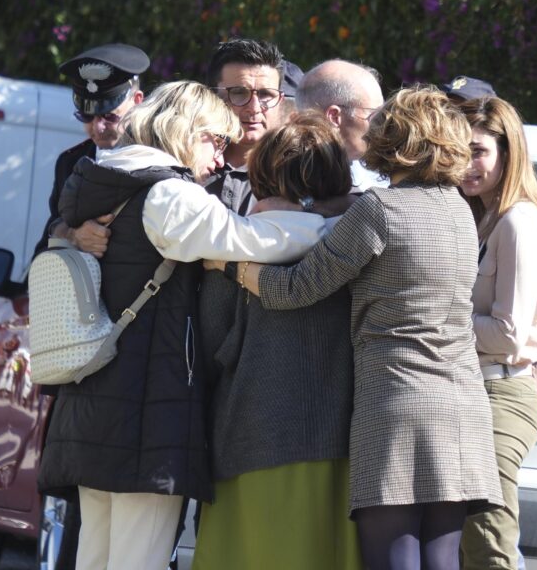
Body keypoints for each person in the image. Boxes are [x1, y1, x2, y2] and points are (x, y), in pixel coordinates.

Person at [37, 80, 329, 570]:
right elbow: (253, 240)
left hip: (94, 395)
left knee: (95, 555)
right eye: (215, 142)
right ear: (184, 130)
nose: (219, 160)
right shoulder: (167, 194)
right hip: (146, 405)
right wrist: (341, 225)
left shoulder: (103, 176)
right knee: (139, 559)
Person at [212, 86, 503, 570]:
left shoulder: (379, 211)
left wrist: (228, 267)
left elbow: (295, 289)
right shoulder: (459, 210)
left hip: (396, 406)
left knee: (394, 559)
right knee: (443, 559)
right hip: (463, 407)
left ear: (397, 141)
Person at [193, 112, 361, 570]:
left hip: (251, 431)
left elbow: (210, 342)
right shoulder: (362, 241)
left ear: (263, 175)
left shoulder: (233, 248)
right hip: (343, 440)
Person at [442, 75, 537, 418]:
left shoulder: (518, 214)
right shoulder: (479, 207)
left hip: (507, 381)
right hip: (475, 383)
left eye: (460, 108)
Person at [457, 96, 537, 570]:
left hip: (501, 391)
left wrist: (435, 317)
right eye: (459, 149)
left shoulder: (518, 220)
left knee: (488, 540)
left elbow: (509, 334)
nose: (466, 161)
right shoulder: (485, 217)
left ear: (507, 152)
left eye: (478, 151)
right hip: (475, 391)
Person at [34, 43, 149, 257]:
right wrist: (73, 236)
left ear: (137, 101)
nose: (97, 128)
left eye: (110, 116)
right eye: (86, 116)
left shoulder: (160, 158)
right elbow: (45, 247)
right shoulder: (70, 162)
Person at [205, 38, 288, 215]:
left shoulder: (301, 171)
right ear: (213, 97)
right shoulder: (183, 165)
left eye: (266, 95)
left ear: (280, 101)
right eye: (239, 93)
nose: (254, 108)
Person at [295, 59, 386, 192]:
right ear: (334, 117)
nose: (382, 124)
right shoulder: (283, 182)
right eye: (374, 115)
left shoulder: (378, 176)